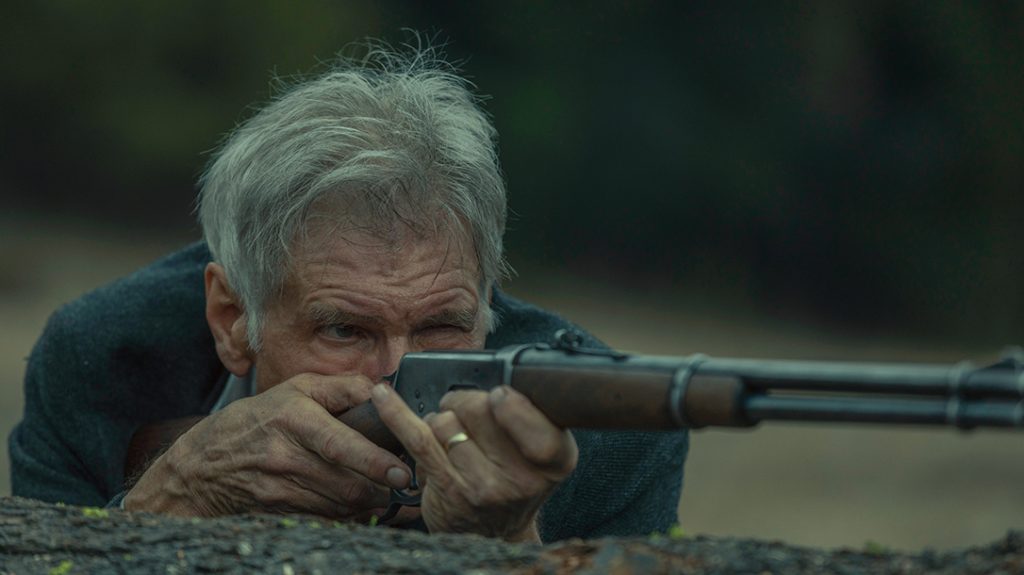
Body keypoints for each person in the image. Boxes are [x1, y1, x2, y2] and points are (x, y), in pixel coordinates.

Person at [9, 44, 689, 542]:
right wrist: (177, 494)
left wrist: (504, 541)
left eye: (442, 325)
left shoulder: (616, 440)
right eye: (345, 330)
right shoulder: (103, 361)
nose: (397, 379)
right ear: (232, 317)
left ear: (486, 300)